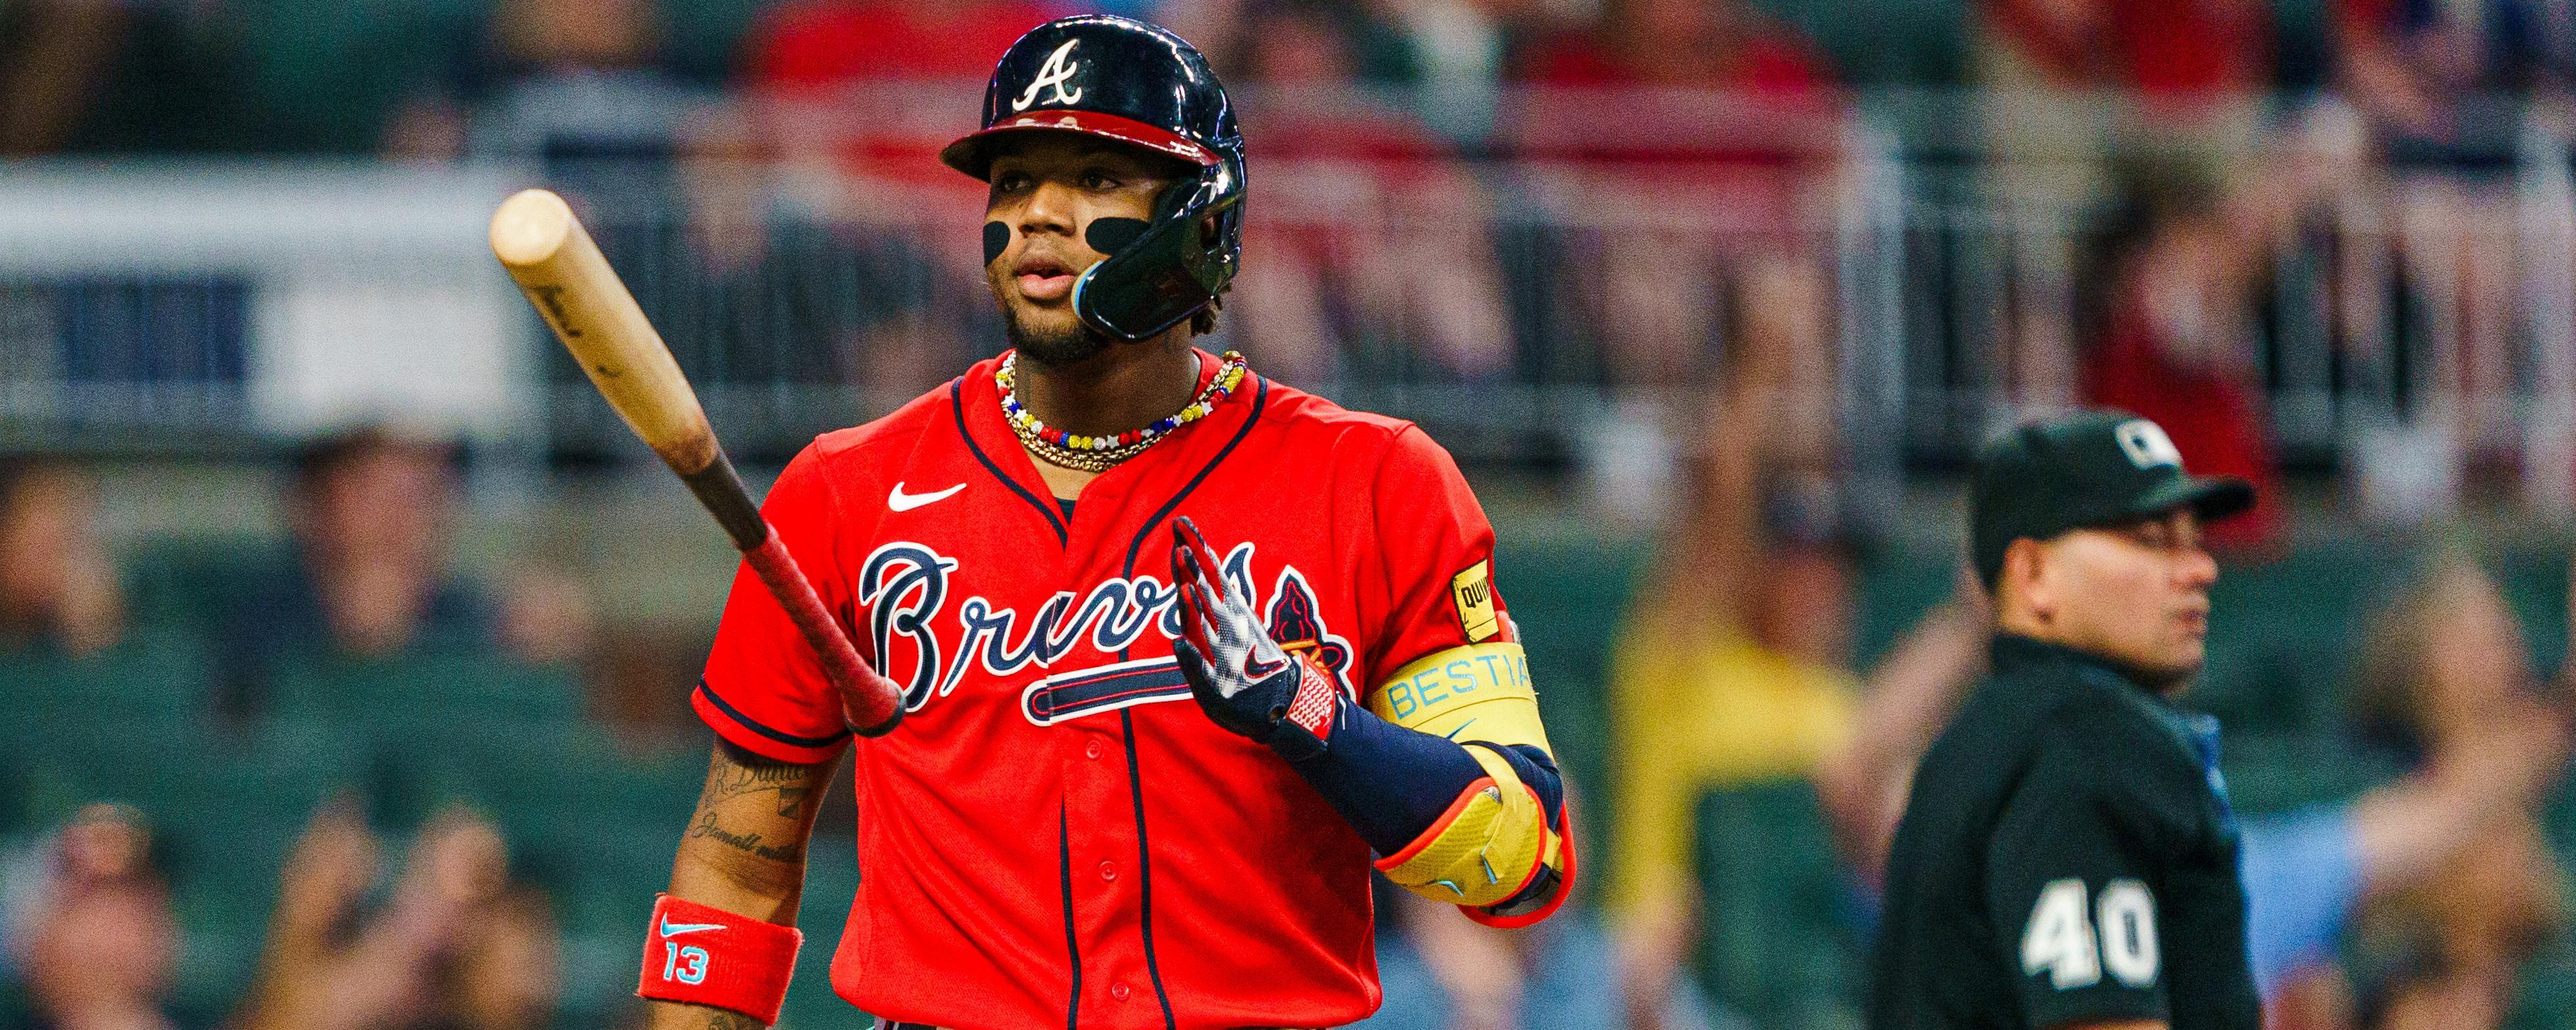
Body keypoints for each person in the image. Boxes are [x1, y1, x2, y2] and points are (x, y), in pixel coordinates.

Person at [642, 15, 1574, 1030]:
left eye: (1093, 180)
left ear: (1202, 220)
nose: (1038, 214)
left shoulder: (1376, 482)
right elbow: (737, 862)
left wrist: (1313, 716)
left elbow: (1520, 857)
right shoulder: (846, 491)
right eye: (1013, 181)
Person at [1871, 410, 2261, 1029]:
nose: (2199, 570)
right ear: (2033, 577)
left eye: (2195, 541)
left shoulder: (1983, 741)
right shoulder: (2083, 743)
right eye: (2151, 541)